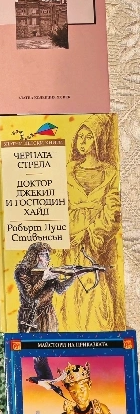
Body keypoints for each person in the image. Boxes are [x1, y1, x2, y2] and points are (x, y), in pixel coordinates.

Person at [55, 118, 123, 331]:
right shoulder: (67, 170)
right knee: (69, 294)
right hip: (70, 243)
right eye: (80, 137)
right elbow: (58, 204)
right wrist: (69, 232)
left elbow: (113, 210)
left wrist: (91, 233)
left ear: (98, 140)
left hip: (96, 244)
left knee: (96, 294)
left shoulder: (110, 174)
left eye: (88, 137)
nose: (82, 142)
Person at [15, 241, 75, 332]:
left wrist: (74, 277)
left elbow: (60, 289)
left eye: (48, 255)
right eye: (44, 255)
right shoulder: (22, 272)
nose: (48, 258)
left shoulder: (47, 271)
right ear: (35, 257)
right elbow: (30, 296)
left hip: (48, 315)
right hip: (30, 316)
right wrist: (43, 279)